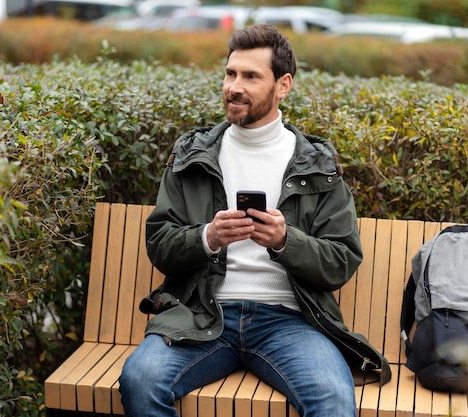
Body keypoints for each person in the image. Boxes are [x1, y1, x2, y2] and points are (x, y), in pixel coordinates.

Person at [119, 23, 391, 417]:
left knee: (333, 399)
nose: (234, 86)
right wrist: (208, 237)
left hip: (289, 323)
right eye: (230, 73)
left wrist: (285, 241)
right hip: (203, 316)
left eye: (250, 76)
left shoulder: (316, 165)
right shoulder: (193, 155)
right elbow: (160, 243)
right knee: (140, 381)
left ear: (283, 85)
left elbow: (341, 260)